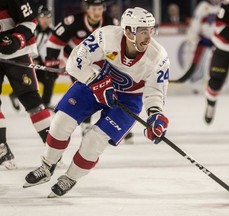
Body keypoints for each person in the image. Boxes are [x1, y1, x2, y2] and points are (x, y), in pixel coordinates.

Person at [23, 7, 170, 198]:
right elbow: (74, 63)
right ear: (127, 31)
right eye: (143, 31)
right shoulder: (106, 36)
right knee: (60, 122)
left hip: (128, 98)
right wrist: (94, 81)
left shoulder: (158, 57)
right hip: (95, 82)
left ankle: (71, 177)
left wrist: (155, 115)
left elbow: (155, 91)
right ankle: (47, 165)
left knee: (94, 140)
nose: (148, 36)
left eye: (151, 30)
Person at [44, 0, 124, 138]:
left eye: (99, 9)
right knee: (88, 89)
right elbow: (54, 40)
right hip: (78, 65)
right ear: (87, 9)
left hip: (102, 63)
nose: (97, 12)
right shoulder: (73, 21)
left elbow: (122, 43)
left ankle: (115, 121)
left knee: (114, 90)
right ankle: (86, 125)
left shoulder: (111, 22)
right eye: (94, 9)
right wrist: (52, 60)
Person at [0, 0, 51, 169]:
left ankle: (52, 148)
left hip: (17, 53)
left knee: (32, 100)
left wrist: (17, 39)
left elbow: (29, 21)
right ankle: (2, 147)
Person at [179, 0, 221, 90]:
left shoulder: (224, 6)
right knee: (197, 64)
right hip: (204, 41)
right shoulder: (203, 6)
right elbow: (196, 22)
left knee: (217, 65)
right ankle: (195, 85)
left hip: (218, 42)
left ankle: (215, 86)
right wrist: (193, 36)